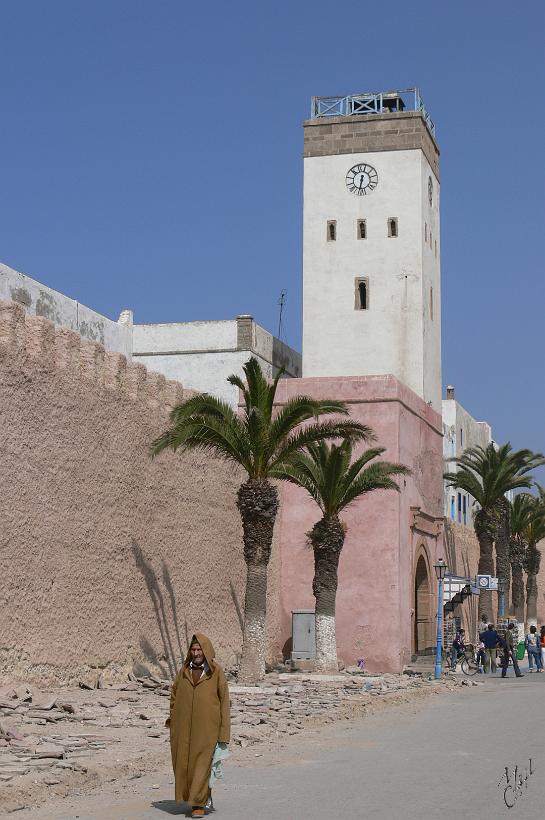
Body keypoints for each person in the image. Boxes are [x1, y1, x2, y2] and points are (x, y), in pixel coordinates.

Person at [167, 633, 230, 819]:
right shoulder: (183, 671)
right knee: (185, 764)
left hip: (207, 730)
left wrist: (224, 733)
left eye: (199, 650)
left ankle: (199, 803)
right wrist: (173, 720)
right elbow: (174, 695)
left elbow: (224, 702)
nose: (196, 653)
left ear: (206, 651)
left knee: (202, 764)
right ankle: (193, 797)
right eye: (193, 650)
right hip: (183, 729)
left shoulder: (216, 672)